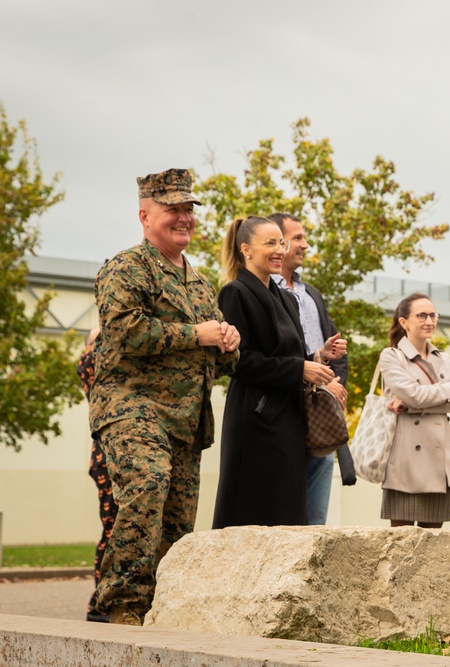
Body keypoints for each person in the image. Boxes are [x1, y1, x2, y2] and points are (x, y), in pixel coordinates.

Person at [89, 168, 241, 625]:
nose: (183, 218)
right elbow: (127, 332)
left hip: (185, 420)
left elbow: (212, 355)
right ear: (144, 215)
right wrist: (198, 334)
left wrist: (229, 342)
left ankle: (161, 609)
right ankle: (121, 605)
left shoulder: (199, 282)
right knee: (147, 484)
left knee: (177, 525)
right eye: (171, 209)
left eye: (188, 210)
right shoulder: (126, 268)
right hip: (131, 406)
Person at [213, 216, 338, 528]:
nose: (279, 249)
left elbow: (287, 356)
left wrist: (317, 357)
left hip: (288, 422)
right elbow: (240, 363)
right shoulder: (236, 293)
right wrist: (300, 368)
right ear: (246, 250)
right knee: (253, 520)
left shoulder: (284, 297)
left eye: (281, 242)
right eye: (270, 243)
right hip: (256, 423)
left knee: (288, 521)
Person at [268, 212, 351, 524]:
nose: (305, 244)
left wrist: (334, 383)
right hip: (285, 409)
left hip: (321, 413)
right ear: (277, 242)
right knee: (283, 516)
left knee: (316, 518)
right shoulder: (266, 291)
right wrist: (313, 377)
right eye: (298, 237)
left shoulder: (313, 293)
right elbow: (279, 353)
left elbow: (336, 346)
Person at [379, 293, 450, 528]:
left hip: (439, 461)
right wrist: (449, 389)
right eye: (422, 315)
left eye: (433, 315)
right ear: (404, 322)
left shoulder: (443, 358)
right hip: (406, 460)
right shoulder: (391, 356)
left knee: (434, 547)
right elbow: (416, 396)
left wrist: (413, 404)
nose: (429, 321)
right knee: (401, 545)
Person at [77, 326, 117, 624]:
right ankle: (99, 602)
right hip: (106, 458)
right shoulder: (89, 365)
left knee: (118, 527)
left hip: (116, 456)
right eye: (98, 340)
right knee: (113, 527)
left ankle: (103, 600)